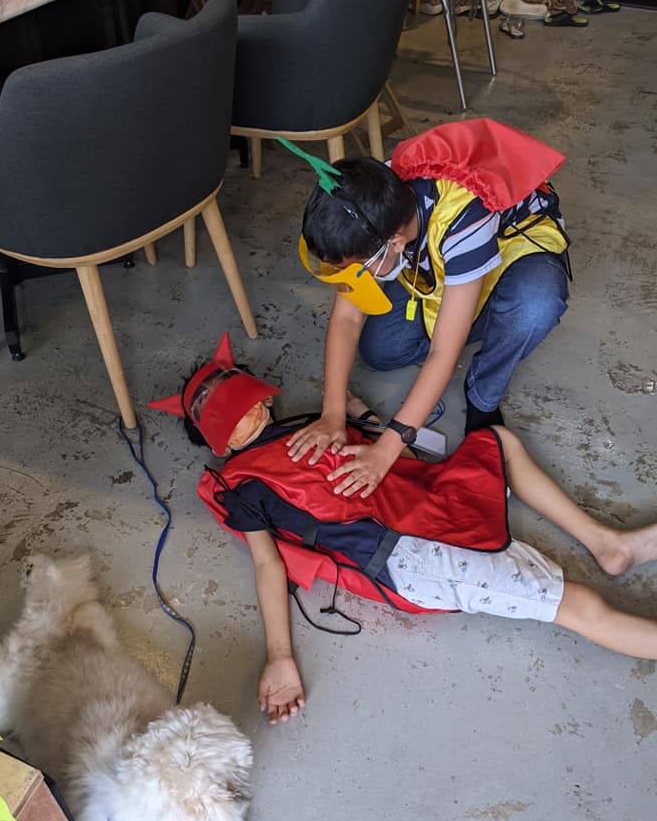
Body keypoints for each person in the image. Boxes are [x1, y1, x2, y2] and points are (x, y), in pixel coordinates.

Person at [150, 334, 657, 726]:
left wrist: (361, 416)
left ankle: (607, 544)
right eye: (231, 415)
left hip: (420, 503)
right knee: (580, 606)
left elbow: (375, 455)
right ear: (217, 444)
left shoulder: (307, 424)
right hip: (408, 556)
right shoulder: (240, 485)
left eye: (250, 400)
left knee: (496, 442)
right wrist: (280, 656)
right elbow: (268, 564)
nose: (252, 411)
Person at [285, 118, 572, 500]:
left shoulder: (465, 216)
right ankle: (465, 308)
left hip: (514, 250)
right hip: (437, 257)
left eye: (355, 268)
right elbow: (348, 317)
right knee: (382, 351)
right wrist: (333, 413)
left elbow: (442, 353)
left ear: (394, 243)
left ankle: (483, 396)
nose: (350, 278)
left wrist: (387, 449)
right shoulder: (366, 201)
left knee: (534, 305)